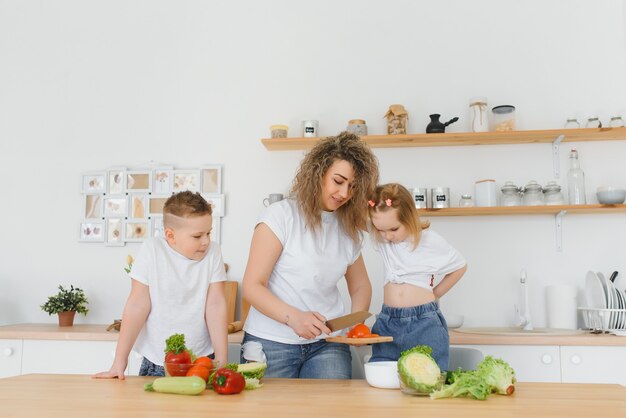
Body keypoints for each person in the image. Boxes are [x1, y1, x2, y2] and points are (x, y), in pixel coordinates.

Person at [241, 131, 379, 379]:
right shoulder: (280, 216)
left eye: (353, 186)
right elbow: (252, 286)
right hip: (271, 342)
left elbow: (360, 286)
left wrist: (356, 325)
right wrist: (293, 318)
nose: (345, 193)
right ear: (318, 173)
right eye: (338, 181)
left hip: (329, 345)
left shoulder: (348, 230)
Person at [93, 191, 228, 379]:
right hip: (157, 362)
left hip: (202, 360)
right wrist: (119, 361)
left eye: (208, 233)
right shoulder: (152, 250)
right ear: (170, 235)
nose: (206, 241)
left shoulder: (213, 252)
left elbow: (216, 305)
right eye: (197, 236)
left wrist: (221, 360)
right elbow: (137, 305)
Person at [366, 183, 467, 371]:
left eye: (394, 229)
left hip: (424, 323)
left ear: (409, 218)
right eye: (380, 230)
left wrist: (436, 293)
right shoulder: (382, 240)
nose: (387, 236)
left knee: (428, 382)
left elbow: (460, 266)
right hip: (387, 322)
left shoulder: (429, 240)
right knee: (383, 382)